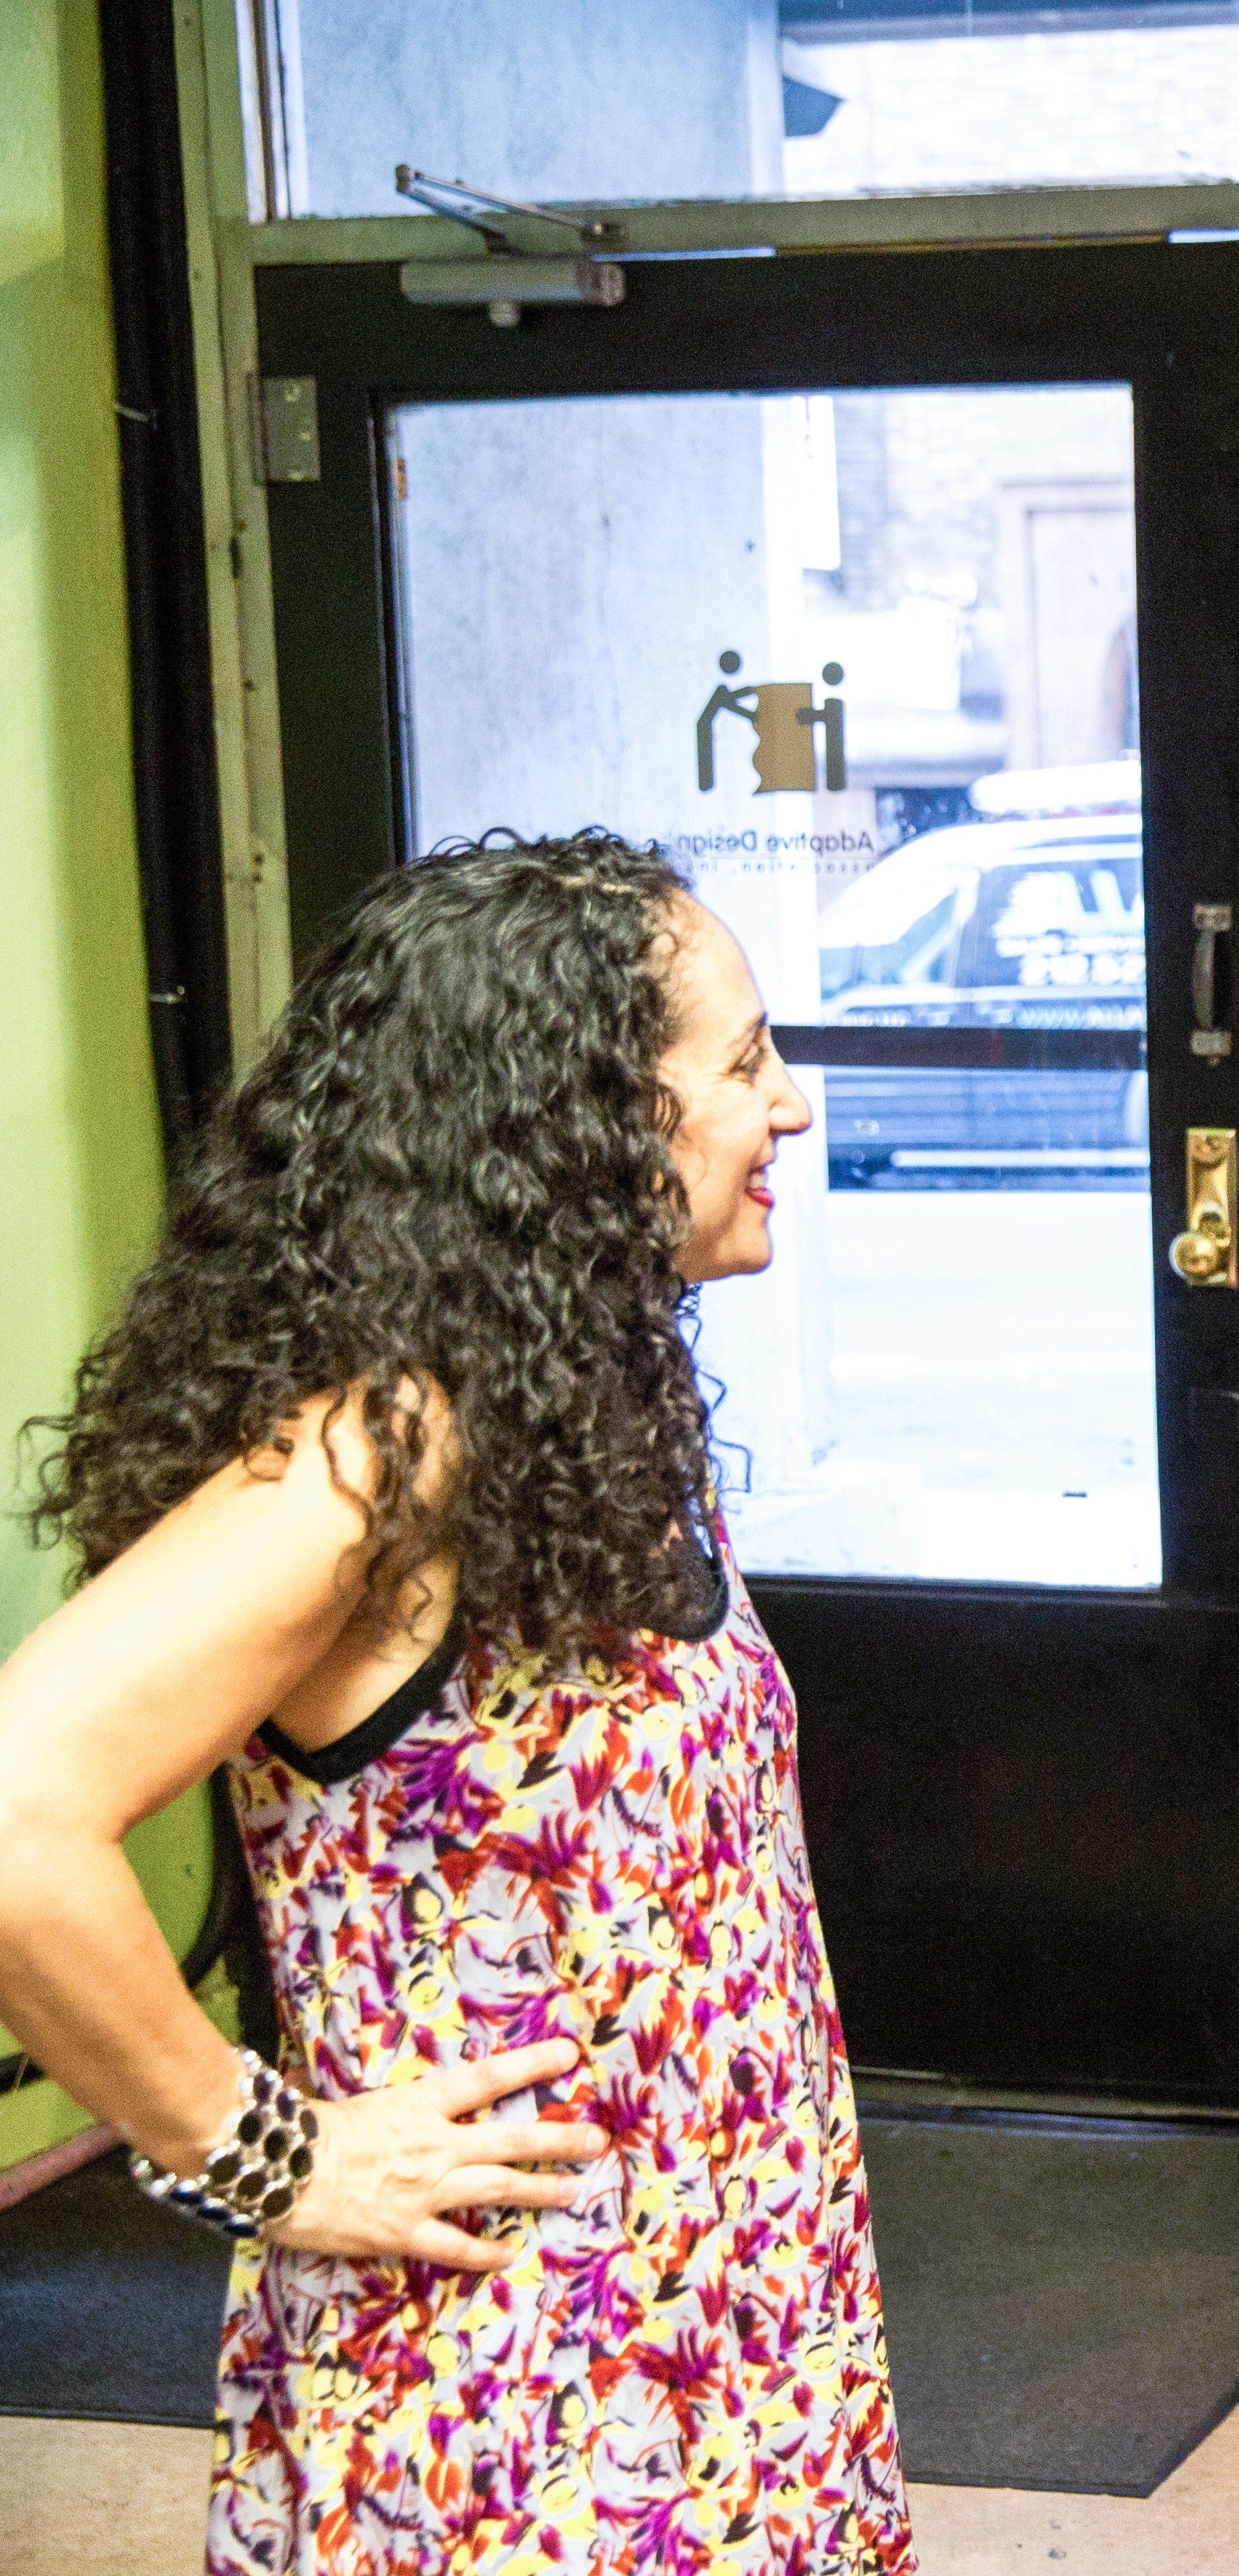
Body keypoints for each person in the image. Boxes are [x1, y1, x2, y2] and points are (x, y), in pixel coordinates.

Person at [0, 835, 910, 2571]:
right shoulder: (383, 1449)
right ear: (582, 1126)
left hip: (729, 2350)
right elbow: (16, 1812)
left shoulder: (582, 1412)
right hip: (510, 2406)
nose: (790, 1105)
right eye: (743, 1065)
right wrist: (266, 2157)